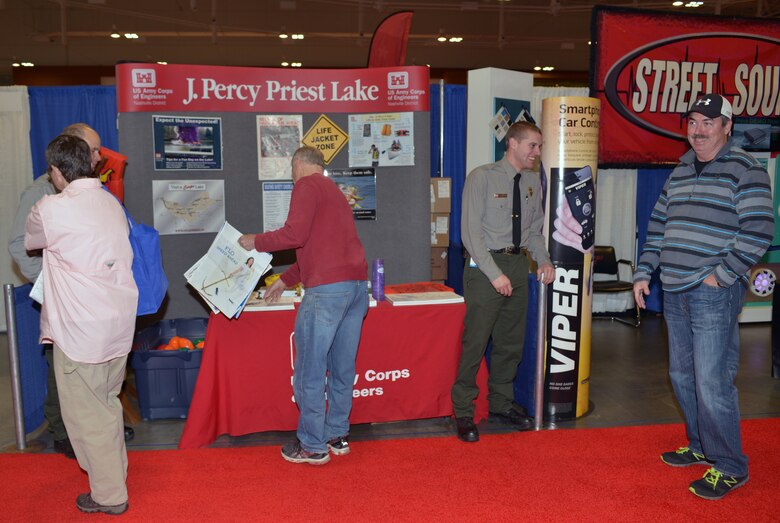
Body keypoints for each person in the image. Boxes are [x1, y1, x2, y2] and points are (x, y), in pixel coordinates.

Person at [633, 94, 773, 500]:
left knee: (712, 381)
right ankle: (700, 446)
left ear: (727, 127)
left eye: (708, 122)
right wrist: (645, 271)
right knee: (681, 375)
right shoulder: (680, 168)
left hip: (713, 292)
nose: (697, 129)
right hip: (674, 289)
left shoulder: (745, 167)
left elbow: (759, 228)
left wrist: (722, 275)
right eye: (692, 121)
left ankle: (730, 464)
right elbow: (658, 225)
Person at [25, 134, 138, 515]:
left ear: (56, 172)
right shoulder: (112, 203)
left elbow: (31, 242)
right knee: (106, 403)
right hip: (118, 325)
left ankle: (109, 495)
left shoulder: (49, 209)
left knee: (86, 416)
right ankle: (114, 474)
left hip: (80, 331)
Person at [238, 146, 369, 465]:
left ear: (297, 164)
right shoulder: (334, 193)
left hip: (326, 293)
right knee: (342, 369)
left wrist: (253, 241)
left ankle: (312, 445)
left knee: (310, 370)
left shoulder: (306, 186)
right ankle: (337, 435)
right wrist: (286, 280)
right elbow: (316, 246)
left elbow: (294, 235)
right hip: (355, 288)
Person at [452, 121, 555, 443]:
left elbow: (535, 230)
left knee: (510, 344)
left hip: (517, 264)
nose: (537, 153)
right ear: (512, 143)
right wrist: (494, 274)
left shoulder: (532, 181)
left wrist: (545, 260)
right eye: (533, 146)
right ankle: (464, 411)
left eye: (539, 147)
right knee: (476, 342)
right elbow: (470, 233)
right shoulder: (482, 177)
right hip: (485, 267)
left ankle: (500, 404)